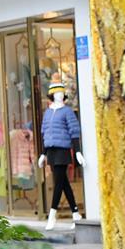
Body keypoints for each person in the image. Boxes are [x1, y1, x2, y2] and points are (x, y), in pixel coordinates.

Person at [38, 81, 86, 230]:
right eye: (56, 92)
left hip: (63, 149)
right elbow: (45, 133)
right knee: (63, 183)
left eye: (61, 92)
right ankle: (76, 214)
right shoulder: (48, 112)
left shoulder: (67, 111)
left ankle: (52, 216)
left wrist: (77, 151)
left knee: (58, 183)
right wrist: (43, 154)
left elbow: (74, 131)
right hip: (51, 151)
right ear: (52, 95)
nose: (59, 95)